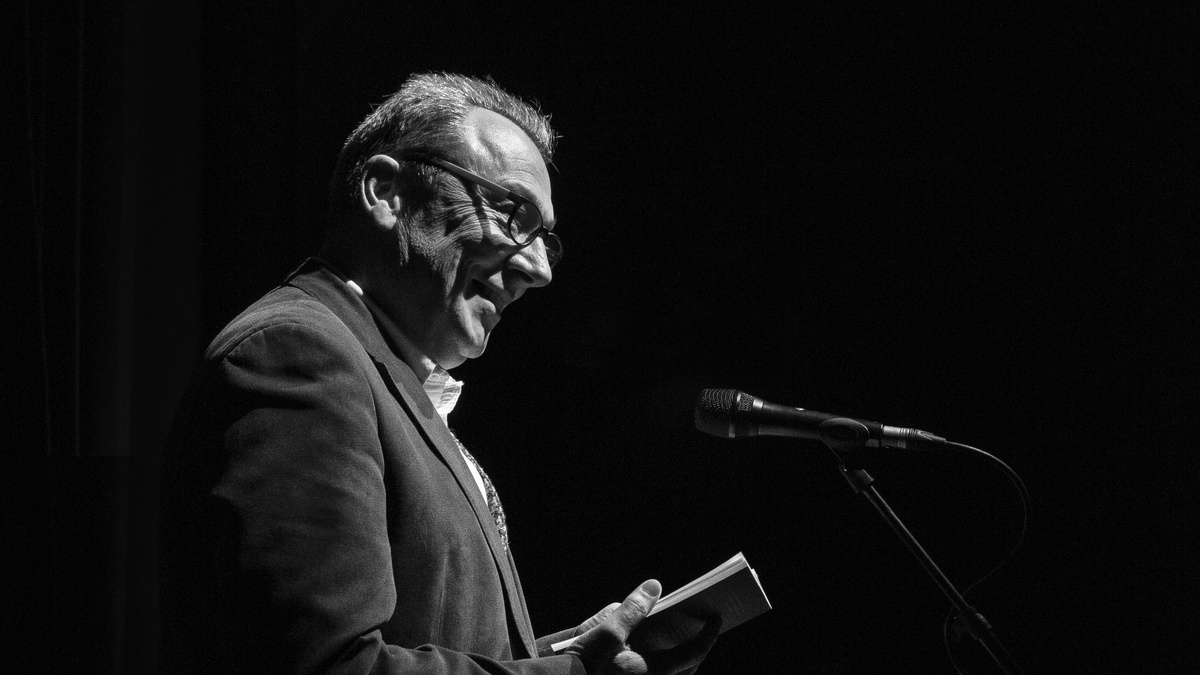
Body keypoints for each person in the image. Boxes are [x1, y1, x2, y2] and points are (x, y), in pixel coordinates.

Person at [159, 72, 719, 674]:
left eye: (546, 239)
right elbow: (332, 666)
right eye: (511, 212)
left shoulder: (377, 370)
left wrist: (567, 657)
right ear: (386, 191)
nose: (537, 269)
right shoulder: (295, 356)